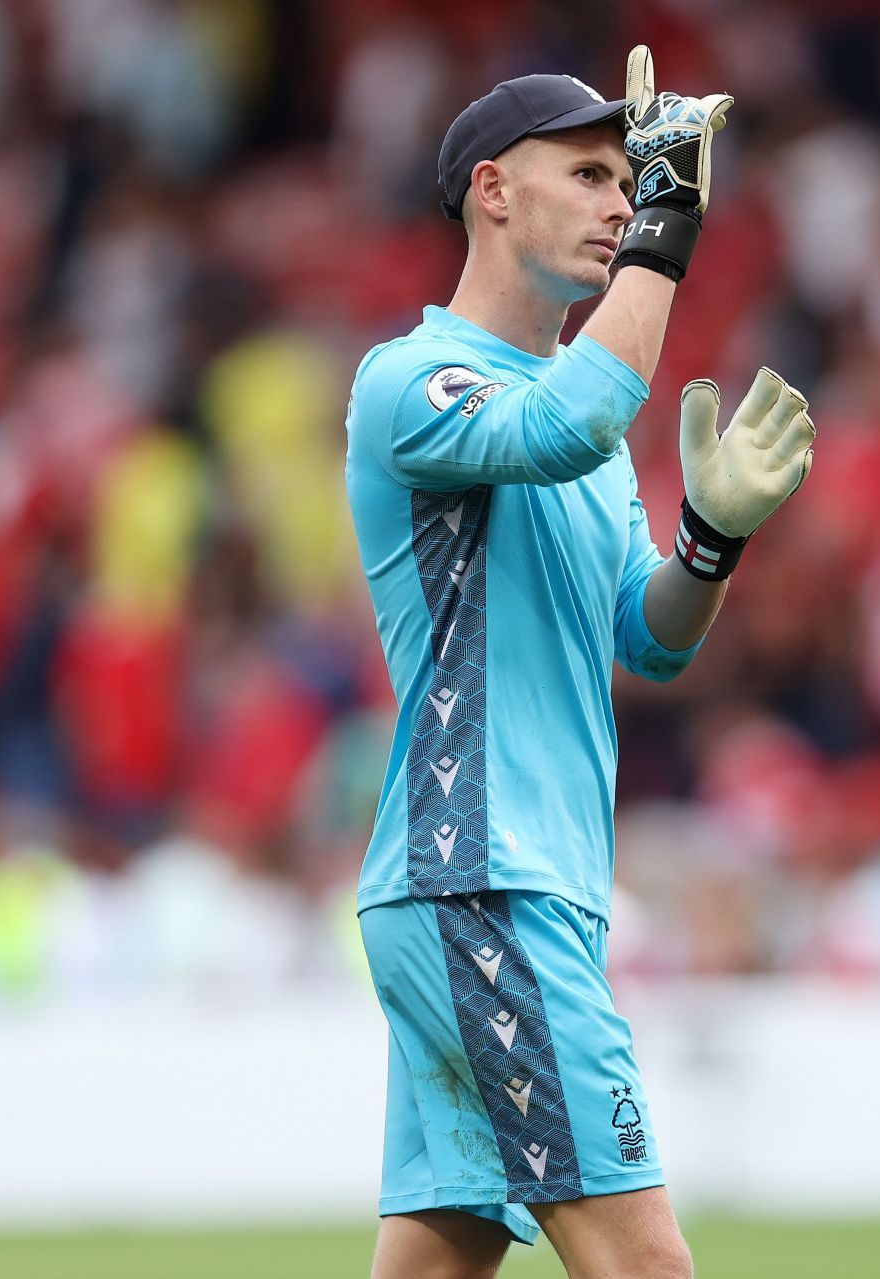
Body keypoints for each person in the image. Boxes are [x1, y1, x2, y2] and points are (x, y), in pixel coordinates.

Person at [342, 47, 815, 1279]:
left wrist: (711, 539)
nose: (623, 201)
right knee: (650, 1267)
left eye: (632, 181)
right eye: (593, 174)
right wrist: (670, 234)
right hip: (479, 871)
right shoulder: (411, 380)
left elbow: (647, 640)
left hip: (512, 879)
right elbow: (566, 424)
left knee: (438, 1258)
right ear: (493, 191)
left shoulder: (585, 425)